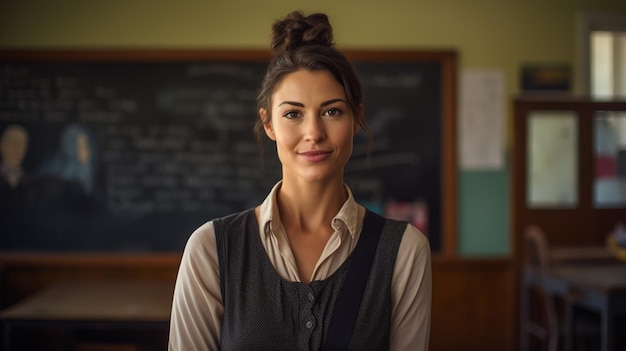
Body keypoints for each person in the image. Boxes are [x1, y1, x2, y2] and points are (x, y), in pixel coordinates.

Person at [169, 10, 431, 351]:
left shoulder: (404, 252)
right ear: (268, 124)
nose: (313, 133)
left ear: (356, 119)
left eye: (332, 111)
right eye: (293, 114)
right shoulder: (210, 250)